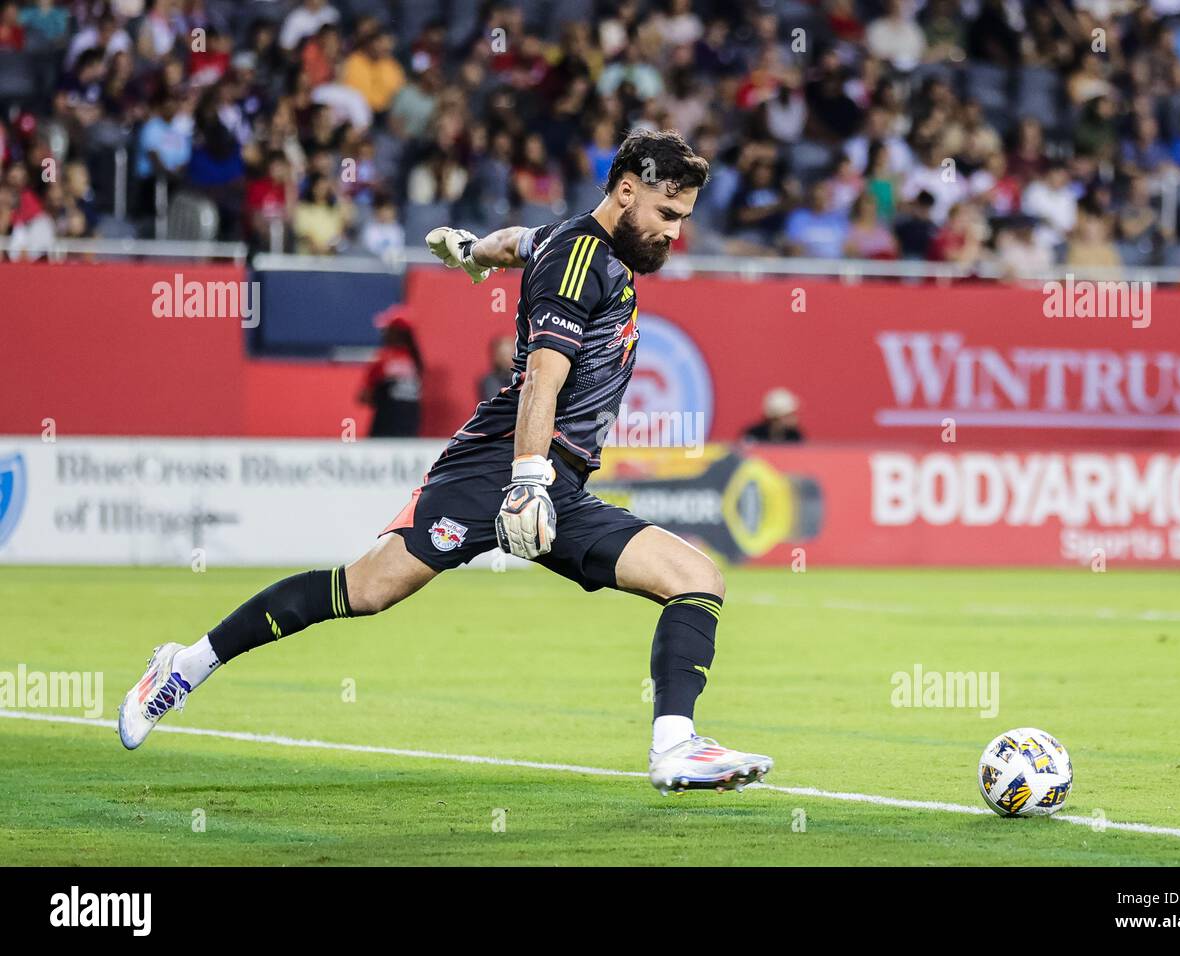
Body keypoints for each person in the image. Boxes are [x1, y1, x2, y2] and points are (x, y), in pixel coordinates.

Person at [118, 129, 773, 796]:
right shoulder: (582, 259)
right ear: (627, 190)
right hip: (501, 468)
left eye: (683, 220)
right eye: (667, 215)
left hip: (557, 483)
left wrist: (469, 252)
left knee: (696, 578)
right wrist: (524, 484)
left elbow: (518, 241)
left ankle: (674, 747)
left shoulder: (574, 243)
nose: (674, 233)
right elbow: (544, 380)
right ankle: (183, 665)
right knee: (369, 589)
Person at [359, 308, 423, 438]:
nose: (383, 333)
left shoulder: (383, 359)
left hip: (385, 428)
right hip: (410, 428)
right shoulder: (415, 361)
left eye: (386, 329)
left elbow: (364, 396)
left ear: (396, 333)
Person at [478, 335, 515, 403]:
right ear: (497, 357)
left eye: (512, 352)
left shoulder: (525, 377)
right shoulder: (490, 381)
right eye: (505, 354)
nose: (510, 358)